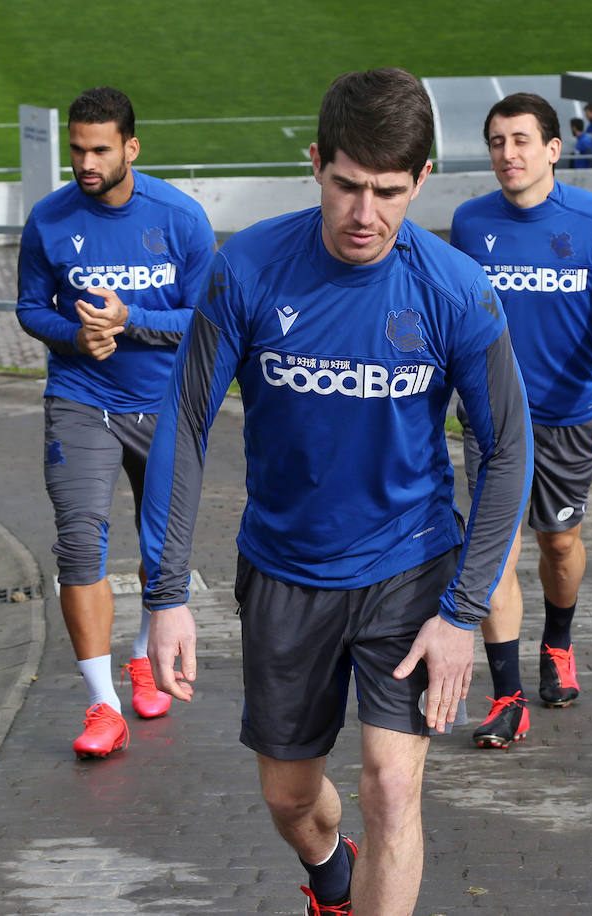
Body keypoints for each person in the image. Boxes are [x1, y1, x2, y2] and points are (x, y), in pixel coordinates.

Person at [139, 68, 531, 915]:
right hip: (284, 571)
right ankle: (330, 873)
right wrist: (165, 592)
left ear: (422, 181)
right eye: (348, 186)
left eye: (389, 192)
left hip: (408, 568)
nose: (365, 215)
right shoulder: (245, 269)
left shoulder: (457, 292)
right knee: (289, 797)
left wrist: (462, 614)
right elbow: (184, 421)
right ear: (316, 164)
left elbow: (507, 453)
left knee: (393, 785)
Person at [16, 86, 216, 759]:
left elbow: (210, 319)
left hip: (165, 406)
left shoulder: (181, 219)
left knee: (163, 554)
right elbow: (29, 307)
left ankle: (140, 655)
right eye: (77, 149)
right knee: (78, 545)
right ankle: (103, 705)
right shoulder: (48, 219)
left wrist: (133, 320)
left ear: (131, 146)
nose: (85, 161)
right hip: (79, 400)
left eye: (99, 149)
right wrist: (76, 336)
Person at [450, 92, 592, 749]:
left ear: (553, 149)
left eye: (522, 141)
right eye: (498, 141)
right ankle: (506, 698)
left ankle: (558, 642)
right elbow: (458, 323)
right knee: (494, 554)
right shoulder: (470, 223)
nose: (508, 154)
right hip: (492, 418)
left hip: (569, 420)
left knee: (559, 544)